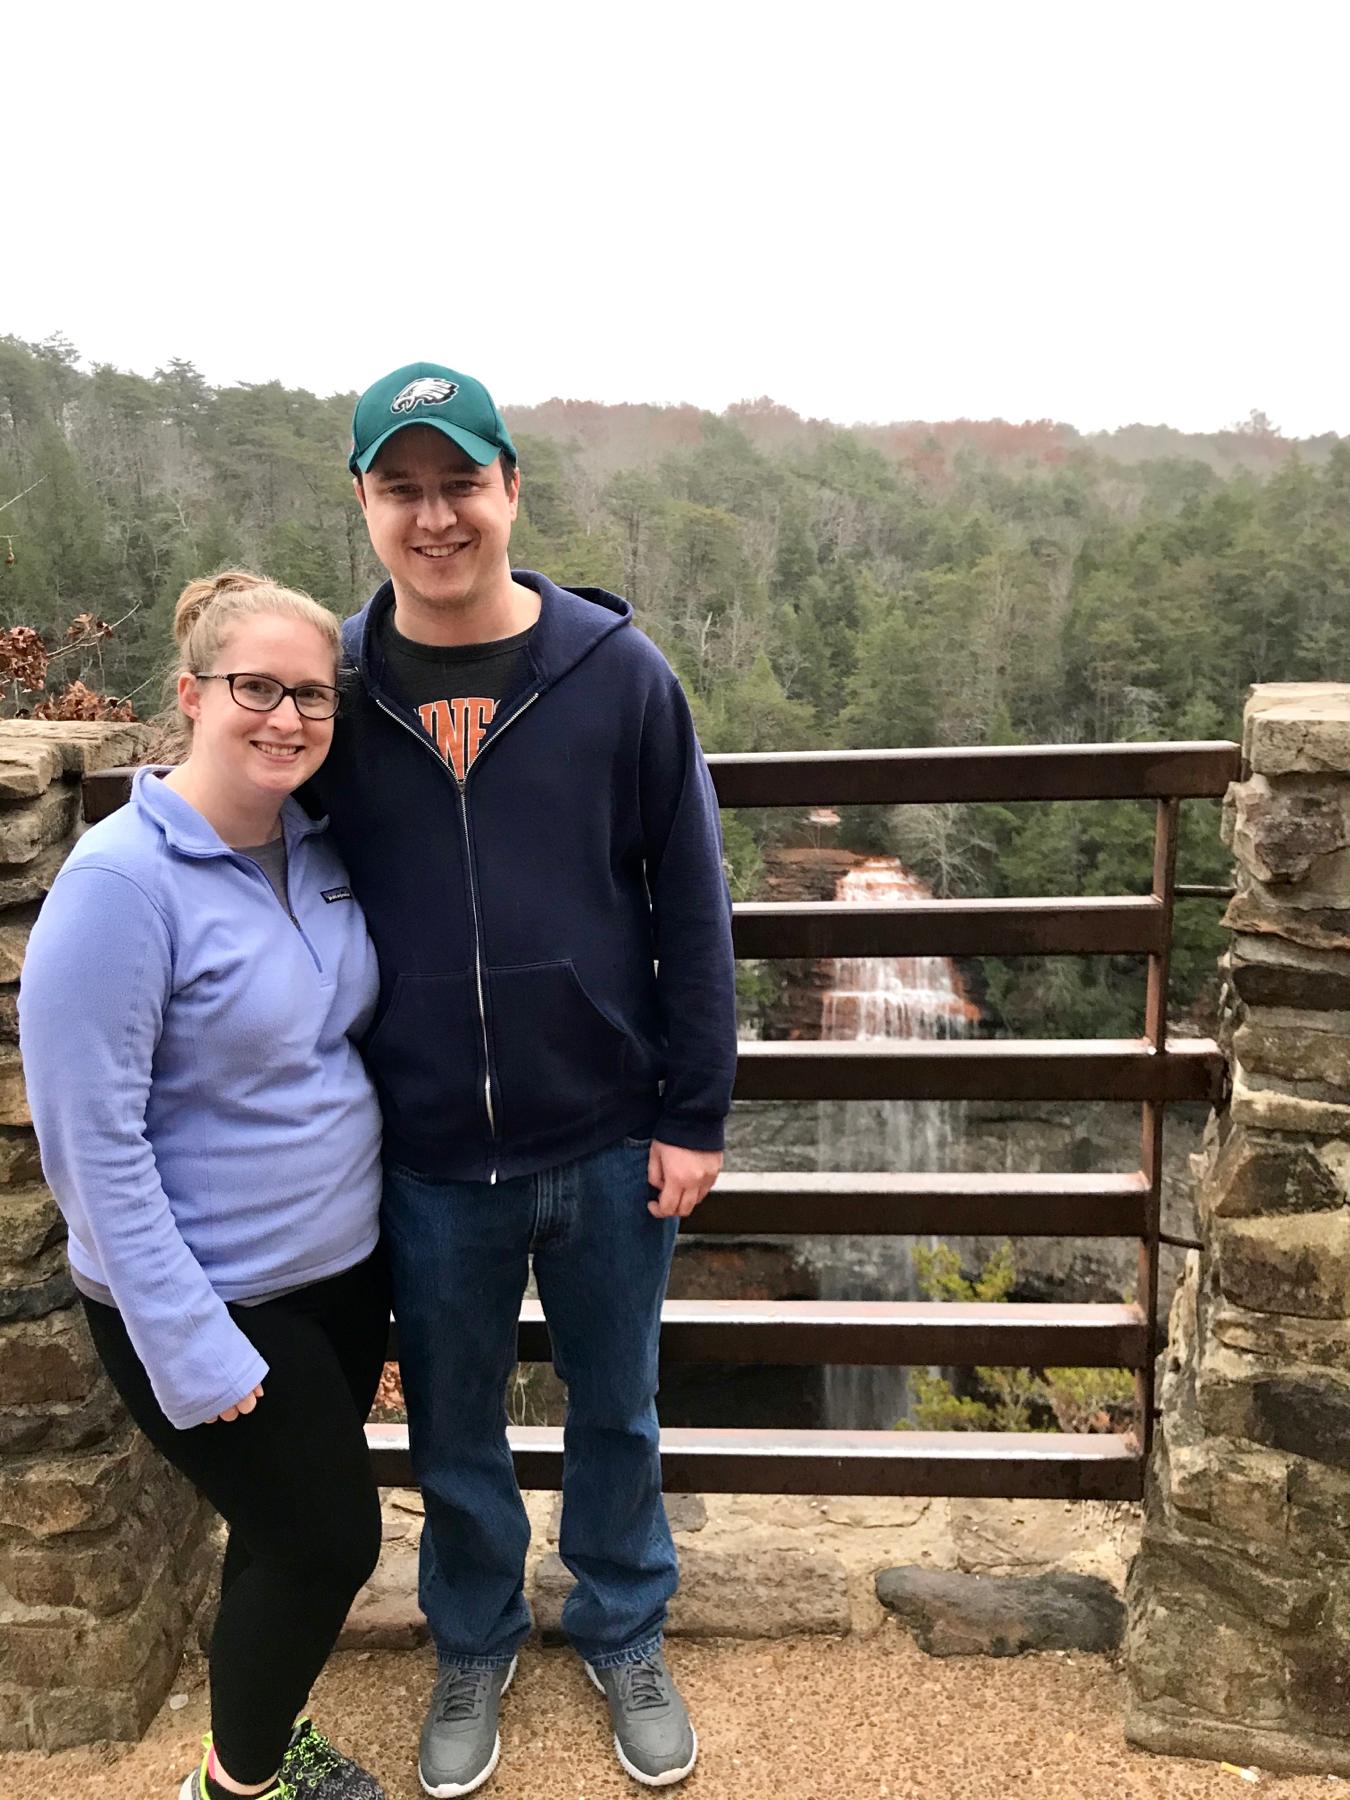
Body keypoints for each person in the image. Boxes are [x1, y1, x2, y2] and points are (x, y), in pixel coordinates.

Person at [305, 361, 738, 1795]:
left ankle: (622, 1623)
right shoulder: (335, 699)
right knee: (452, 1425)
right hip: (426, 1153)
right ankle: (474, 1637)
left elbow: (690, 904)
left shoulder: (618, 678)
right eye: (401, 487)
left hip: (610, 1139)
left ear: (509, 492)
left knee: (618, 1407)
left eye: (459, 484)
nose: (435, 517)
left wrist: (693, 1115)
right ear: (365, 502)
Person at [19, 573, 389, 1800]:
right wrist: (190, 1343)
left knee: (279, 1537)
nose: (285, 717)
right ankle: (237, 1787)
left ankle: (261, 1741)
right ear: (190, 695)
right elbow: (91, 1142)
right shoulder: (121, 885)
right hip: (209, 1299)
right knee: (333, 1539)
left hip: (335, 1274)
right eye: (256, 689)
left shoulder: (316, 847)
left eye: (311, 696)